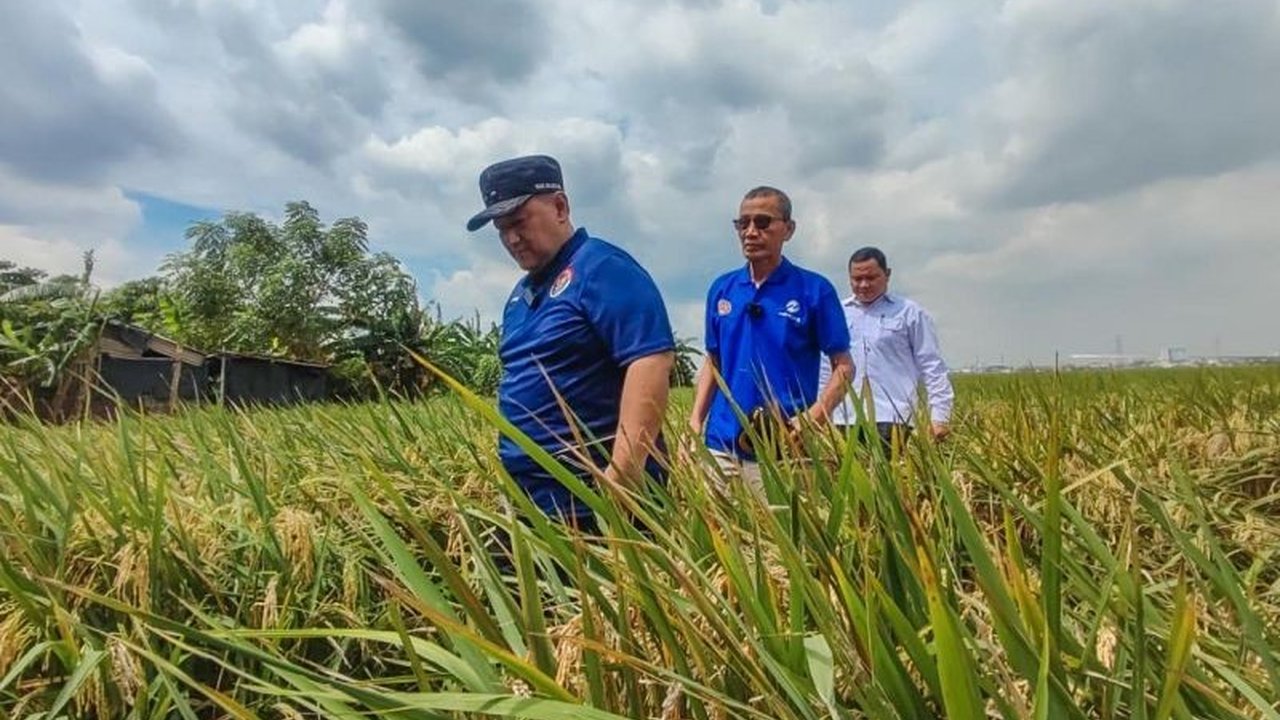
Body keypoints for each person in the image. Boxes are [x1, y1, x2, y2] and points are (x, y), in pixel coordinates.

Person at [466, 154, 675, 532]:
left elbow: (650, 361)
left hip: (594, 503)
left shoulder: (603, 268)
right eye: (501, 229)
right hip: (534, 500)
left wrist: (623, 474)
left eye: (518, 222)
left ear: (560, 206)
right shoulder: (521, 295)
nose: (511, 238)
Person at [689, 186, 854, 488]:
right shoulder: (723, 289)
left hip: (785, 443)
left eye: (763, 223)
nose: (751, 232)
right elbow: (714, 361)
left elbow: (844, 366)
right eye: (743, 223)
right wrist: (696, 420)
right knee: (717, 532)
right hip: (721, 443)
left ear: (788, 229)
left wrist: (812, 417)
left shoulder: (814, 290)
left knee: (783, 533)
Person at [819, 246, 954, 452]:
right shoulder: (837, 313)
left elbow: (931, 366)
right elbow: (825, 369)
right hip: (843, 418)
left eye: (871, 278)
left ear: (887, 274)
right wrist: (820, 413)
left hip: (893, 418)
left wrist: (940, 417)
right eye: (857, 279)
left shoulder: (909, 313)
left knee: (893, 481)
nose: (863, 285)